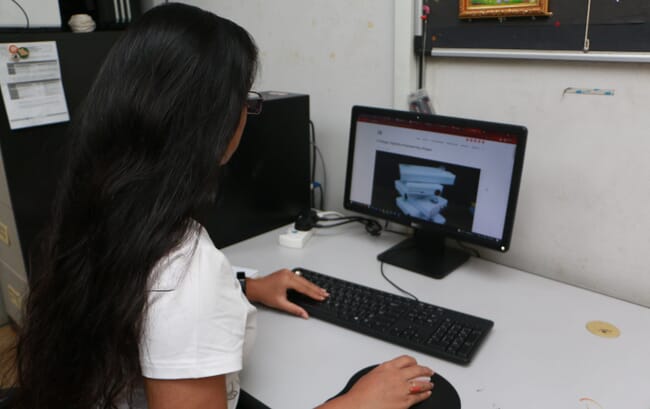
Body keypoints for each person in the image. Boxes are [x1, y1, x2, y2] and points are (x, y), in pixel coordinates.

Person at [8, 3, 434, 409]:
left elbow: (143, 293)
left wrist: (245, 286)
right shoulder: (188, 275)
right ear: (211, 122)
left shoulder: (105, 204)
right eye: (244, 99)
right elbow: (177, 294)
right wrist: (355, 402)